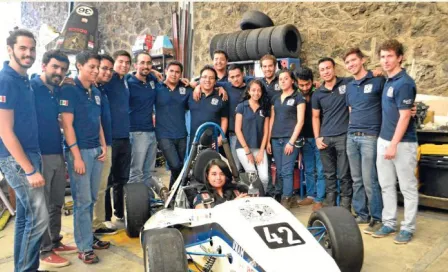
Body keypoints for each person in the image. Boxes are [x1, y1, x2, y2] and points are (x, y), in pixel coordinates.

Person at [0, 28, 49, 272]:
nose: (28, 53)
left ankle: (24, 268)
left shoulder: (23, 80)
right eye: (22, 48)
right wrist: (29, 170)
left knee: (24, 218)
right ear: (10, 49)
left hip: (28, 154)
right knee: (39, 219)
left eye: (31, 49)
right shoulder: (6, 80)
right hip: (16, 159)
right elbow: (5, 131)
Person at [59, 51, 108, 264]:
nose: (96, 70)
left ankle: (88, 237)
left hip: (96, 150)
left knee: (93, 198)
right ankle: (84, 247)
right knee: (82, 201)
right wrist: (76, 156)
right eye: (92, 67)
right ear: (79, 65)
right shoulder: (69, 90)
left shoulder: (95, 91)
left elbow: (97, 121)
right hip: (80, 152)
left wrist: (103, 145)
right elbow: (67, 125)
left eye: (98, 67)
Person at [31, 50, 77, 268]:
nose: (59, 72)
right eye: (55, 67)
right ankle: (45, 250)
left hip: (57, 151)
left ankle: (56, 241)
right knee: (42, 204)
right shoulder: (32, 88)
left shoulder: (57, 90)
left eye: (63, 69)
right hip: (39, 155)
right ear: (43, 66)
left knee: (57, 201)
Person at [372, 40, 418, 244]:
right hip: (384, 140)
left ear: (400, 57)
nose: (385, 60)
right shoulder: (388, 80)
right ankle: (389, 222)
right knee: (386, 186)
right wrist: (386, 142)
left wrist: (393, 144)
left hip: (402, 143)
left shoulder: (405, 83)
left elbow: (405, 116)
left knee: (407, 187)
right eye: (382, 56)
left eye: (390, 56)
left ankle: (408, 227)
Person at [343, 47, 384, 231]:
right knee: (356, 179)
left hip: (370, 137)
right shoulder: (350, 86)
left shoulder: (377, 81)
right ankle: (361, 214)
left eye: (353, 60)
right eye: (348, 62)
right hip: (352, 136)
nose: (351, 64)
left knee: (370, 180)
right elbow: (351, 110)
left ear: (362, 60)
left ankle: (377, 217)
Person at [312, 57, 353, 210]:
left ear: (334, 68)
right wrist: (317, 138)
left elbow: (362, 78)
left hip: (343, 136)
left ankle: (345, 205)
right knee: (328, 174)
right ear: (320, 72)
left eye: (328, 68)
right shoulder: (317, 94)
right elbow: (315, 117)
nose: (326, 72)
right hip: (325, 139)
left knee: (344, 174)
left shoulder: (347, 83)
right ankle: (330, 204)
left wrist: (376, 73)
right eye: (322, 69)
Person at [127, 51, 165, 196]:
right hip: (136, 132)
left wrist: (153, 71)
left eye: (148, 63)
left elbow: (161, 80)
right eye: (142, 62)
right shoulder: (129, 82)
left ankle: (147, 202)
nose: (145, 66)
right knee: (136, 171)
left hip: (151, 132)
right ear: (135, 65)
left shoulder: (151, 80)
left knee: (148, 172)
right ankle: (135, 207)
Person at [268, 69, 306, 208]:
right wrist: (268, 140)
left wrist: (291, 141)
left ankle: (286, 199)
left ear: (292, 80)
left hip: (290, 140)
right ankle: (285, 196)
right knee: (279, 170)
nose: (283, 81)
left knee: (287, 170)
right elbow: (272, 119)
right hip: (276, 138)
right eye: (280, 79)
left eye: (286, 78)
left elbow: (300, 121)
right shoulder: (276, 98)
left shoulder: (298, 97)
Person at [292, 67, 326, 212]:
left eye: (307, 84)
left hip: (319, 137)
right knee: (309, 168)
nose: (305, 88)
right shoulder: (295, 95)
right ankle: (310, 195)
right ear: (296, 83)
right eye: (301, 85)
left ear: (312, 81)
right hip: (304, 138)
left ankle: (319, 198)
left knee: (321, 169)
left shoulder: (319, 93)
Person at [104, 50, 132, 222]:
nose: (124, 65)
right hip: (110, 138)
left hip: (124, 137)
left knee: (121, 179)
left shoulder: (125, 81)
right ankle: (106, 217)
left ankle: (119, 213)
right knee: (107, 180)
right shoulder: (109, 80)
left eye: (127, 62)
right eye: (120, 62)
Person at [155, 61, 191, 189]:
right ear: (166, 71)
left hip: (181, 134)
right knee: (175, 165)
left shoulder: (186, 89)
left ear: (181, 74)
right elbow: (138, 74)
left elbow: (203, 87)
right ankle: (176, 194)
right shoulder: (157, 87)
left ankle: (173, 195)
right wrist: (153, 72)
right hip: (164, 135)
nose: (174, 74)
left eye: (177, 72)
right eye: (171, 71)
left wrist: (194, 85)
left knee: (180, 167)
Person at [92, 54, 117, 235]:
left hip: (106, 143)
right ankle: (92, 225)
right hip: (95, 146)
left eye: (110, 69)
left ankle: (98, 223)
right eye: (104, 68)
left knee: (101, 187)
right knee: (94, 188)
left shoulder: (101, 90)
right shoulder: (89, 89)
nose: (108, 73)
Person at [234, 80, 270, 191]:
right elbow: (237, 130)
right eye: (253, 90)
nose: (256, 93)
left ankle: (262, 196)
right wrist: (247, 151)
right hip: (243, 148)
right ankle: (254, 199)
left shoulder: (264, 108)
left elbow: (266, 132)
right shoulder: (241, 107)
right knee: (252, 177)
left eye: (259, 90)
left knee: (264, 178)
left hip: (259, 147)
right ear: (249, 91)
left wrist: (261, 151)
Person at [188, 65, 229, 146]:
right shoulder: (192, 94)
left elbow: (224, 119)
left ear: (215, 81)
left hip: (214, 141)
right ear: (200, 79)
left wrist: (221, 137)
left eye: (211, 78)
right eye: (205, 77)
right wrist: (196, 86)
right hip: (194, 141)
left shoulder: (221, 95)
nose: (207, 80)